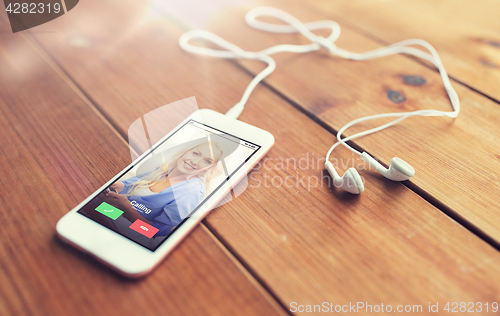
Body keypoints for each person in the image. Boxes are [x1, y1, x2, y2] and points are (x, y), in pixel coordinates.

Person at [100, 141, 228, 237]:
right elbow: (130, 184)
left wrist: (126, 207)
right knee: (95, 199)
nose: (195, 161)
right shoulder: (165, 169)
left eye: (207, 161)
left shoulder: (191, 193)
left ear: (211, 169)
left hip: (132, 230)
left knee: (96, 206)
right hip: (115, 214)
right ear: (186, 151)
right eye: (195, 153)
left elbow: (152, 232)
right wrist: (118, 186)